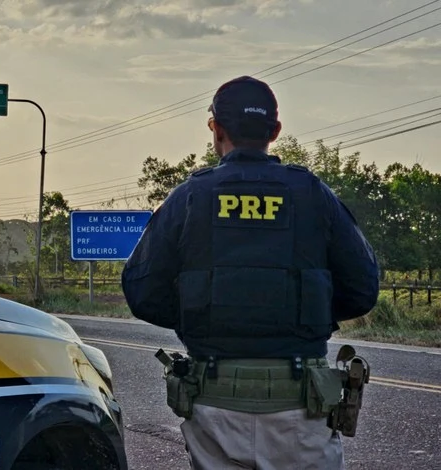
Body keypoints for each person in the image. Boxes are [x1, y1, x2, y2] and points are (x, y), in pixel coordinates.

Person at [121, 75, 379, 470]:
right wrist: (301, 313)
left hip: (214, 404)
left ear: (216, 129)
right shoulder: (311, 192)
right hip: (302, 406)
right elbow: (362, 289)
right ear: (274, 131)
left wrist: (202, 314)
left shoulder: (190, 195)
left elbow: (141, 291)